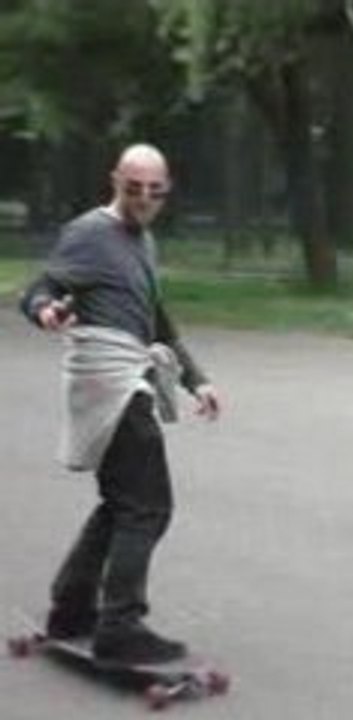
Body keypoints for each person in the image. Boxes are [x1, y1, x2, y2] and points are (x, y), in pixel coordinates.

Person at [18, 143, 222, 665]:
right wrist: (46, 313)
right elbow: (39, 289)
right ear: (116, 181)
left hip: (129, 375)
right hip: (108, 380)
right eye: (135, 188)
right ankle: (120, 624)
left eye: (156, 190)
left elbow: (155, 318)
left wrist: (196, 381)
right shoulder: (90, 233)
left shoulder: (143, 242)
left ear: (166, 188)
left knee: (122, 503)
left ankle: (71, 608)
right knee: (149, 506)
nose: (146, 198)